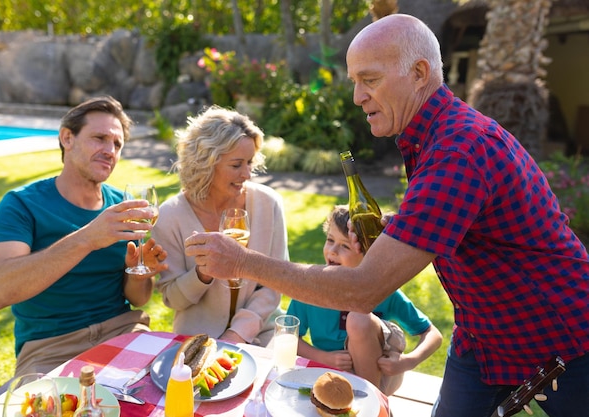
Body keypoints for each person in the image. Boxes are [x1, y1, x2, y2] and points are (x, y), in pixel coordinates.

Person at [185, 14, 589, 417]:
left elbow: (364, 290)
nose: (358, 96)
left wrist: (241, 261)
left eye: (370, 80)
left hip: (559, 342)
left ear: (418, 73)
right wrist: (405, 228)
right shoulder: (436, 138)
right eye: (354, 82)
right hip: (482, 336)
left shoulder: (458, 151)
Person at [0, 96, 168, 377]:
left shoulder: (124, 204)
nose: (110, 150)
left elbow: (139, 298)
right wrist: (88, 238)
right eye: (99, 138)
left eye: (117, 144)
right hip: (49, 346)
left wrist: (139, 274)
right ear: (67, 138)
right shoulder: (21, 204)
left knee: (168, 392)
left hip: (121, 330)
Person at [152, 105, 288, 347]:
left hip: (262, 334)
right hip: (195, 340)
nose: (247, 174)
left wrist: (236, 335)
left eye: (250, 162)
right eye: (236, 165)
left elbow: (274, 284)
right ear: (206, 163)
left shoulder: (268, 204)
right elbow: (172, 298)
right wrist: (202, 274)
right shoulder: (169, 216)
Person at [288, 205, 442, 395]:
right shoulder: (311, 286)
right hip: (329, 374)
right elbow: (288, 336)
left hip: (381, 377)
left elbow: (432, 334)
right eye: (330, 240)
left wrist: (407, 362)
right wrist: (323, 357)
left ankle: (374, 403)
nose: (333, 251)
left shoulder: (383, 289)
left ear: (370, 253)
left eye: (345, 246)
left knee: (359, 319)